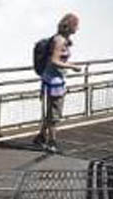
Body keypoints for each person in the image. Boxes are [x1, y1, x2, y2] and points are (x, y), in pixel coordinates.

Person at [34, 13, 81, 154]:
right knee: (54, 114)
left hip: (51, 79)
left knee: (51, 111)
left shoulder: (61, 39)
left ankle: (41, 136)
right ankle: (51, 142)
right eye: (76, 25)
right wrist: (72, 66)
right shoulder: (59, 41)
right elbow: (54, 61)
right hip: (54, 82)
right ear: (70, 26)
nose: (78, 28)